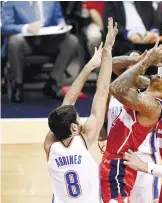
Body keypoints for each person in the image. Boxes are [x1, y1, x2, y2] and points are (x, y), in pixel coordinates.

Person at [100, 23, 162, 203]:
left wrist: (146, 62)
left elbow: (115, 88)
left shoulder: (153, 106)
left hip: (132, 164)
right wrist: (143, 58)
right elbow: (109, 67)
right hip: (117, 162)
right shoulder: (145, 87)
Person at [43, 18, 117, 203]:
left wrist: (89, 65)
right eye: (78, 119)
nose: (81, 121)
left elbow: (68, 102)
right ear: (74, 128)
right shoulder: (84, 140)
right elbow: (101, 93)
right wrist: (106, 52)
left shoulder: (49, 145)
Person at [1, 1, 81, 102]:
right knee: (14, 41)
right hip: (25, 42)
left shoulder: (52, 2)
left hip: (48, 41)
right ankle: (18, 85)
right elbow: (5, 26)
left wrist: (62, 25)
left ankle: (52, 83)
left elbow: (59, 19)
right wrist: (26, 28)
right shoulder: (12, 2)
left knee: (72, 41)